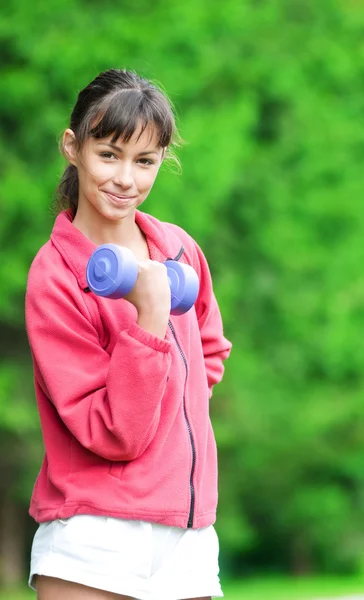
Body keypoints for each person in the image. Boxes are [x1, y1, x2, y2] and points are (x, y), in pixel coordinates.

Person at [25, 68, 232, 600]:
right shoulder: (57, 277)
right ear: (73, 147)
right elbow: (115, 434)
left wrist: (181, 409)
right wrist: (149, 321)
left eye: (145, 161)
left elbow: (210, 349)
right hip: (94, 536)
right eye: (109, 154)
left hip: (186, 533)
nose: (126, 179)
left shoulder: (180, 249)